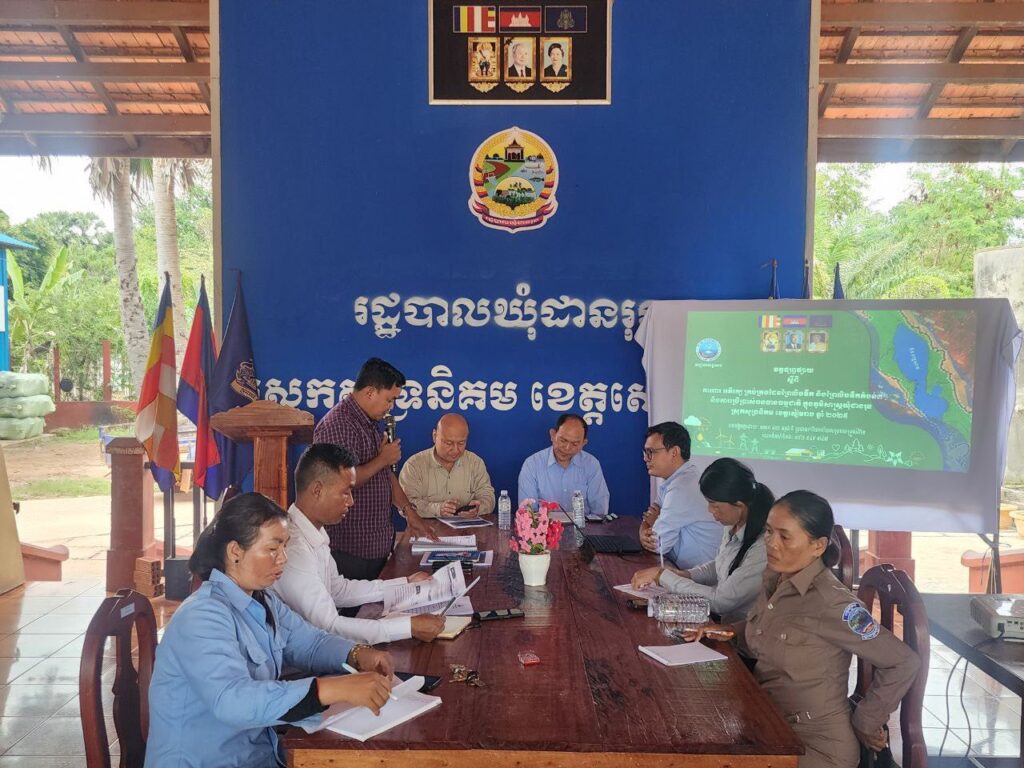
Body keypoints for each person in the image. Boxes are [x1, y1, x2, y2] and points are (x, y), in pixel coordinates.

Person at [146, 493, 396, 768]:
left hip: (258, 755)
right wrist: (331, 689)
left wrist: (357, 654)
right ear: (235, 551)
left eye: (285, 547)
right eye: (273, 549)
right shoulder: (202, 616)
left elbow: (310, 643)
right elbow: (232, 701)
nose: (283, 559)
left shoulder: (262, 601)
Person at [697, 491, 920, 768]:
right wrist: (729, 631)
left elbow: (903, 661)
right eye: (769, 532)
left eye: (785, 537)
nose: (771, 543)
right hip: (769, 722)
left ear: (818, 546)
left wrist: (866, 721)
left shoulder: (835, 604)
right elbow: (768, 628)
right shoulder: (775, 578)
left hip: (814, 744)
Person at [270, 443, 445, 645]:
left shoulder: (313, 531)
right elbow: (328, 626)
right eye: (346, 492)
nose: (351, 502)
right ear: (317, 490)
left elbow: (338, 590)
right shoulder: (294, 549)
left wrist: (404, 584)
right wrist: (409, 627)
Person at [313, 357, 433, 582]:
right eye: (389, 399)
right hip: (349, 550)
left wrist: (409, 512)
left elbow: (385, 474)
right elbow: (339, 482)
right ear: (370, 392)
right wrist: (382, 459)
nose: (391, 407)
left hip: (374, 548)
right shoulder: (339, 425)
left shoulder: (368, 424)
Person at [631, 457, 772, 623]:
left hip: (742, 632)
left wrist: (663, 576)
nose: (710, 510)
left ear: (739, 505)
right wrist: (685, 575)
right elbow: (720, 565)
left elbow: (722, 601)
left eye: (714, 505)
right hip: (722, 623)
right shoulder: (733, 524)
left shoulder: (763, 547)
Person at [638, 422, 720, 569]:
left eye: (651, 452)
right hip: (682, 569)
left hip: (699, 577)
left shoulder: (682, 486)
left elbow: (657, 544)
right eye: (645, 452)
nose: (646, 458)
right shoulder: (674, 480)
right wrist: (647, 527)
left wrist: (647, 528)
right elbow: (650, 517)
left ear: (674, 452)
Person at [399, 413, 495, 518]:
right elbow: (404, 505)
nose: (455, 450)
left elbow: (488, 496)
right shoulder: (414, 465)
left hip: (468, 527)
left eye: (461, 443)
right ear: (434, 436)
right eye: (449, 443)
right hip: (425, 527)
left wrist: (479, 508)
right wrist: (437, 509)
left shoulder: (475, 463)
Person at [518, 413, 609, 517]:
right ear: (553, 435)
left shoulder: (591, 464)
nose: (567, 448)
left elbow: (600, 512)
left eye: (574, 444)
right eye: (563, 440)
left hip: (583, 526)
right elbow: (527, 513)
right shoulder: (532, 465)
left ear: (583, 444)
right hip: (545, 527)